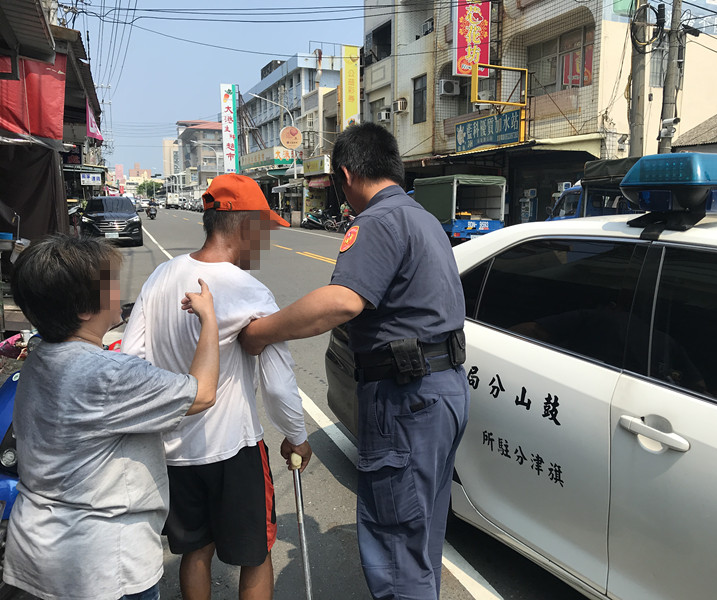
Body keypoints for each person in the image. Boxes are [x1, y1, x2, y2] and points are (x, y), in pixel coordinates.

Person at [239, 123, 469, 600]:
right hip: (442, 392)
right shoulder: (423, 218)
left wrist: (261, 332)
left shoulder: (377, 221)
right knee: (420, 538)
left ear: (345, 175)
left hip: (406, 400)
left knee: (396, 547)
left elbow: (342, 302)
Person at [122, 173, 311, 600]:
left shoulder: (160, 278)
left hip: (173, 451)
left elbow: (132, 361)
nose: (265, 242)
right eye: (264, 230)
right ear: (244, 226)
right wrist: (297, 438)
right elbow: (278, 386)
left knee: (195, 552)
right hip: (234, 449)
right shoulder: (249, 291)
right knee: (256, 556)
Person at [4, 235, 220, 600]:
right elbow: (202, 393)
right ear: (84, 309)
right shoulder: (109, 374)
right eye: (112, 285)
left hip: (35, 551)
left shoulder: (40, 353)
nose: (119, 292)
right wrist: (209, 319)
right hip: (102, 567)